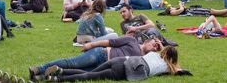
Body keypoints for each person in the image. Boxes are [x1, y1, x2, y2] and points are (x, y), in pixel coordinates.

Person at [29, 36, 163, 80]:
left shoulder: (145, 60)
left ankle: (41, 77)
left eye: (157, 48)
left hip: (105, 66)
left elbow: (164, 58)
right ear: (147, 41)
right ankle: (37, 69)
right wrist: (90, 44)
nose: (155, 47)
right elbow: (110, 42)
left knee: (82, 73)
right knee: (71, 63)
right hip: (101, 54)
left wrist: (162, 48)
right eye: (155, 43)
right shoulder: (132, 40)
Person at [41, 46, 186, 82]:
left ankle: (59, 70)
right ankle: (57, 79)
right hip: (128, 69)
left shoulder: (153, 54)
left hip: (122, 60)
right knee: (88, 76)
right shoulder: (167, 67)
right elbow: (179, 70)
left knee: (90, 73)